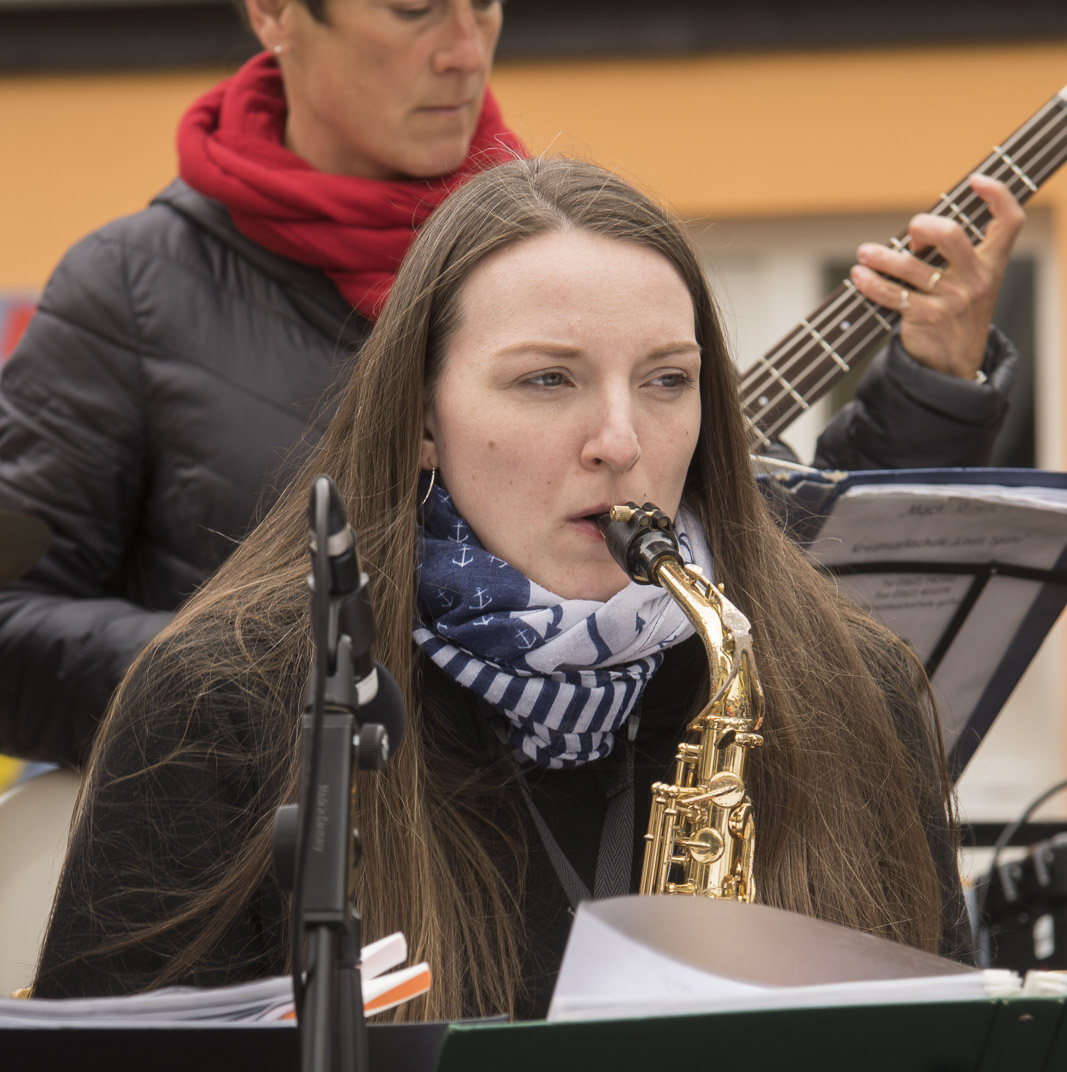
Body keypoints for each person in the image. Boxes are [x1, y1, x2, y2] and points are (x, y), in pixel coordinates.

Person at [34, 155, 1067, 1072]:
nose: (619, 442)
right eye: (543, 382)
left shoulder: (847, 683)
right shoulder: (232, 693)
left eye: (666, 382)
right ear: (418, 418)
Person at [0, 0, 1025, 770]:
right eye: (413, 9)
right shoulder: (130, 291)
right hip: (253, 876)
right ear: (273, 13)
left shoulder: (569, 256)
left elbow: (783, 565)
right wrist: (288, 680)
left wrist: (931, 383)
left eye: (484, 3)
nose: (463, 48)